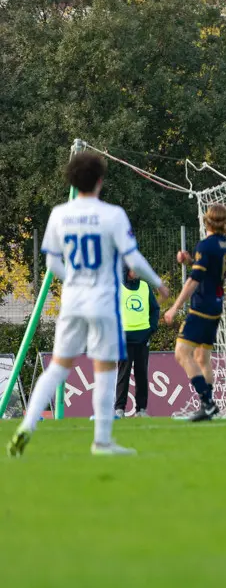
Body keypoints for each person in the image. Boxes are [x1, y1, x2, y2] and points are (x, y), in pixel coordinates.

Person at [7, 152, 168, 457]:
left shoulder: (59, 215)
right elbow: (133, 259)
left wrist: (74, 280)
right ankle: (102, 441)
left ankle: (26, 427)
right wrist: (158, 282)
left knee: (58, 367)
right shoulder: (113, 215)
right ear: (100, 181)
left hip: (73, 301)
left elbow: (53, 263)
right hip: (103, 302)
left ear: (71, 180)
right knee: (105, 368)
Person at [164, 204, 226, 422]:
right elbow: (209, 271)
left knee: (181, 353)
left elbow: (194, 280)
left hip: (201, 306)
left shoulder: (205, 245)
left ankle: (208, 403)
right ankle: (208, 408)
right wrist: (191, 262)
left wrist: (174, 307)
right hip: (216, 305)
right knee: (202, 358)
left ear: (206, 221)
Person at [115, 268, 160, 418]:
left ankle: (141, 409)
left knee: (142, 374)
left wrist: (152, 328)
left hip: (142, 338)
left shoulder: (145, 287)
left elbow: (155, 309)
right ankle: (119, 409)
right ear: (127, 271)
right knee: (123, 374)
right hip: (124, 339)